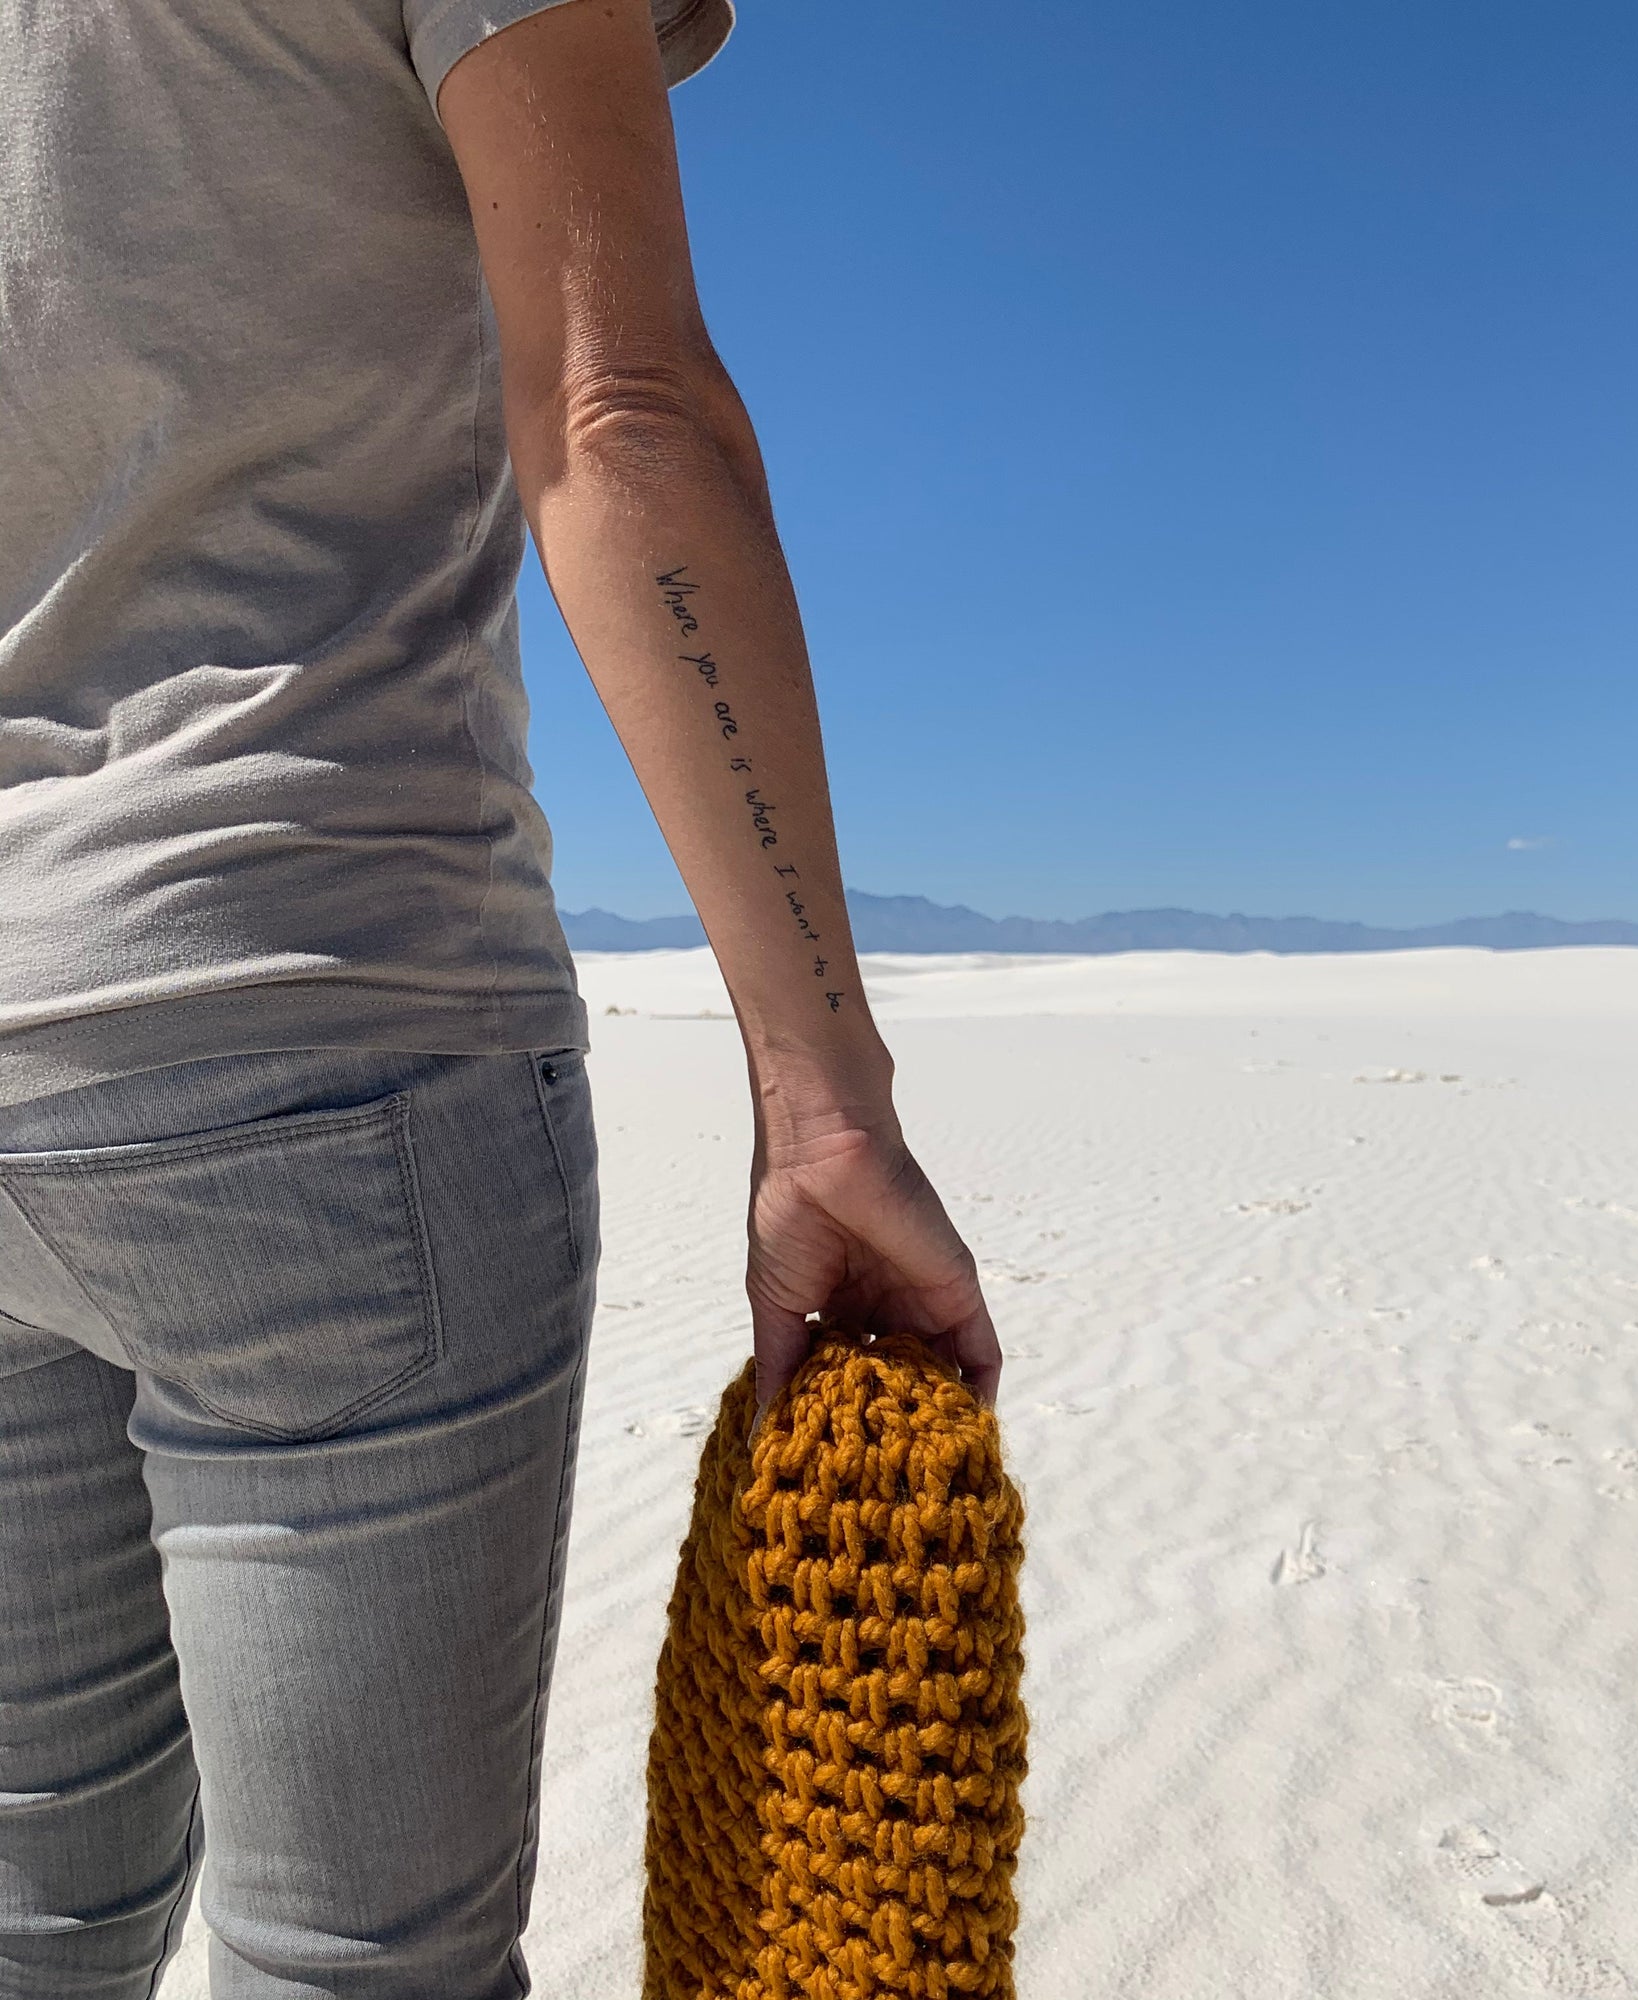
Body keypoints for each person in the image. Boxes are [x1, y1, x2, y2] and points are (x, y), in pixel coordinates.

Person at [0, 1, 1001, 1992]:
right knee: (353, 1959)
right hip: (322, 1027)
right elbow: (618, 410)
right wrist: (822, 1098)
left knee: (40, 1914)